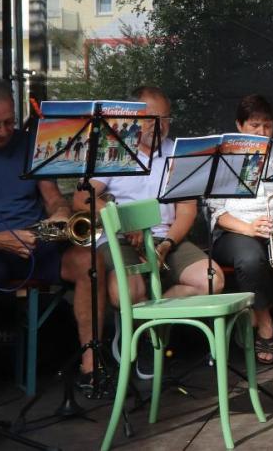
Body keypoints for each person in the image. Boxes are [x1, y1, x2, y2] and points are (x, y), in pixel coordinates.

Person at [76, 86, 223, 376]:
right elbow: (82, 199)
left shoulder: (178, 154)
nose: (160, 125)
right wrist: (123, 221)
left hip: (166, 237)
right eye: (151, 118)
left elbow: (187, 211)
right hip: (120, 237)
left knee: (212, 281)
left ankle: (151, 326)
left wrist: (166, 244)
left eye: (165, 117)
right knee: (126, 292)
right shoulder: (112, 151)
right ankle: (144, 334)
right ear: (133, 119)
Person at [0, 77, 91, 393]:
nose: (4, 131)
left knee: (91, 264)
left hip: (35, 243)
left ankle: (91, 368)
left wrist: (60, 213)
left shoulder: (32, 143)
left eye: (9, 122)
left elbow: (52, 197)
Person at [207, 94, 273, 364]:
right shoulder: (225, 158)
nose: (262, 132)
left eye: (267, 125)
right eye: (254, 125)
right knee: (251, 260)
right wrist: (249, 228)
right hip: (236, 231)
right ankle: (265, 322)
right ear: (239, 125)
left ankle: (267, 313)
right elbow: (217, 212)